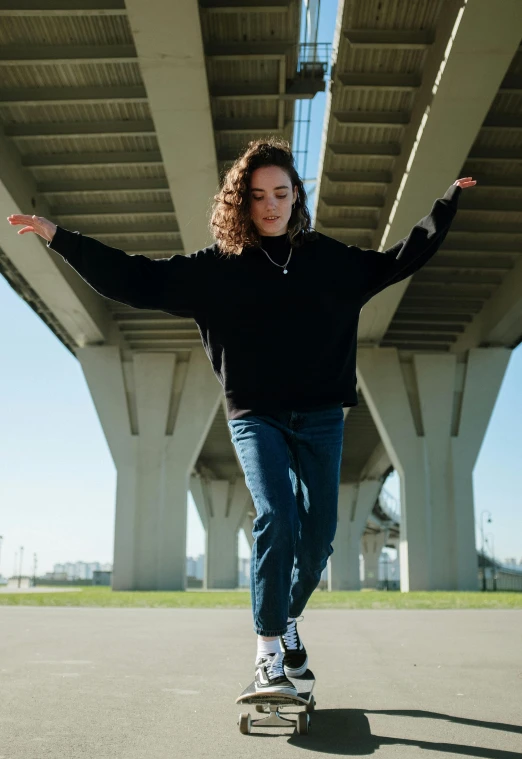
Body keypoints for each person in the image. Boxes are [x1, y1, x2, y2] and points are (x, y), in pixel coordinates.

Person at [7, 138, 476, 698]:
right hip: (256, 415)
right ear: (242, 203)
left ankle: (287, 621)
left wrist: (444, 205)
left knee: (321, 537)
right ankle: (268, 651)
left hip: (322, 416)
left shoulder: (328, 260)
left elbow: (399, 259)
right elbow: (137, 280)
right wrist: (62, 238)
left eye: (281, 193)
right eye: (258, 196)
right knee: (276, 515)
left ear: (296, 197)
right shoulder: (217, 269)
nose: (271, 205)